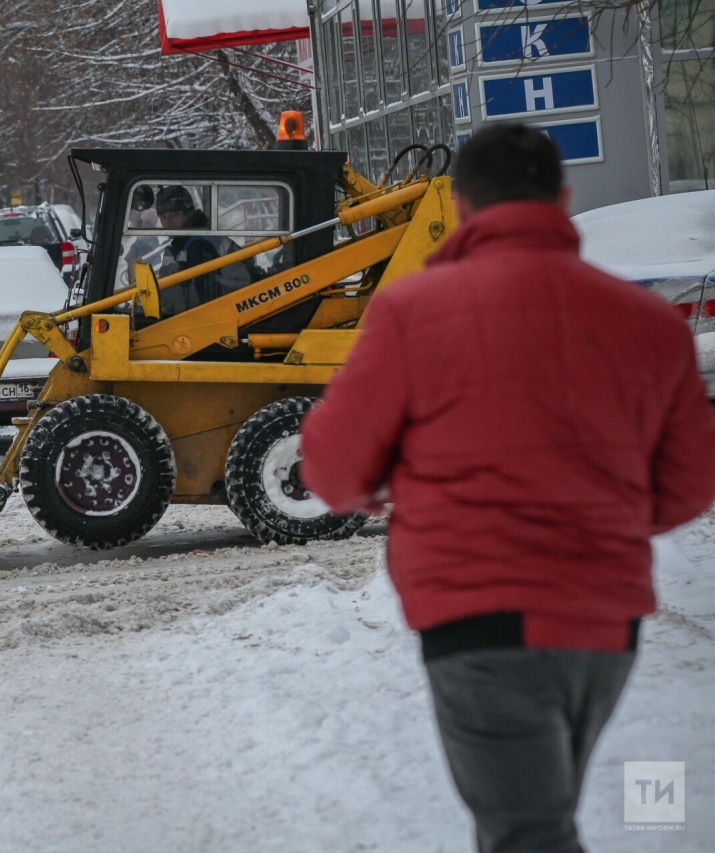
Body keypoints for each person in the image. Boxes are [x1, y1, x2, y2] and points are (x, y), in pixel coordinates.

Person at [299, 124, 715, 853]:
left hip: (477, 624)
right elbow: (692, 479)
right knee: (535, 820)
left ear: (459, 207)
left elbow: (331, 467)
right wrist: (603, 512)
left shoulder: (410, 313)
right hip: (601, 628)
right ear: (562, 199)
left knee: (526, 831)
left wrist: (379, 488)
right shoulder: (649, 324)